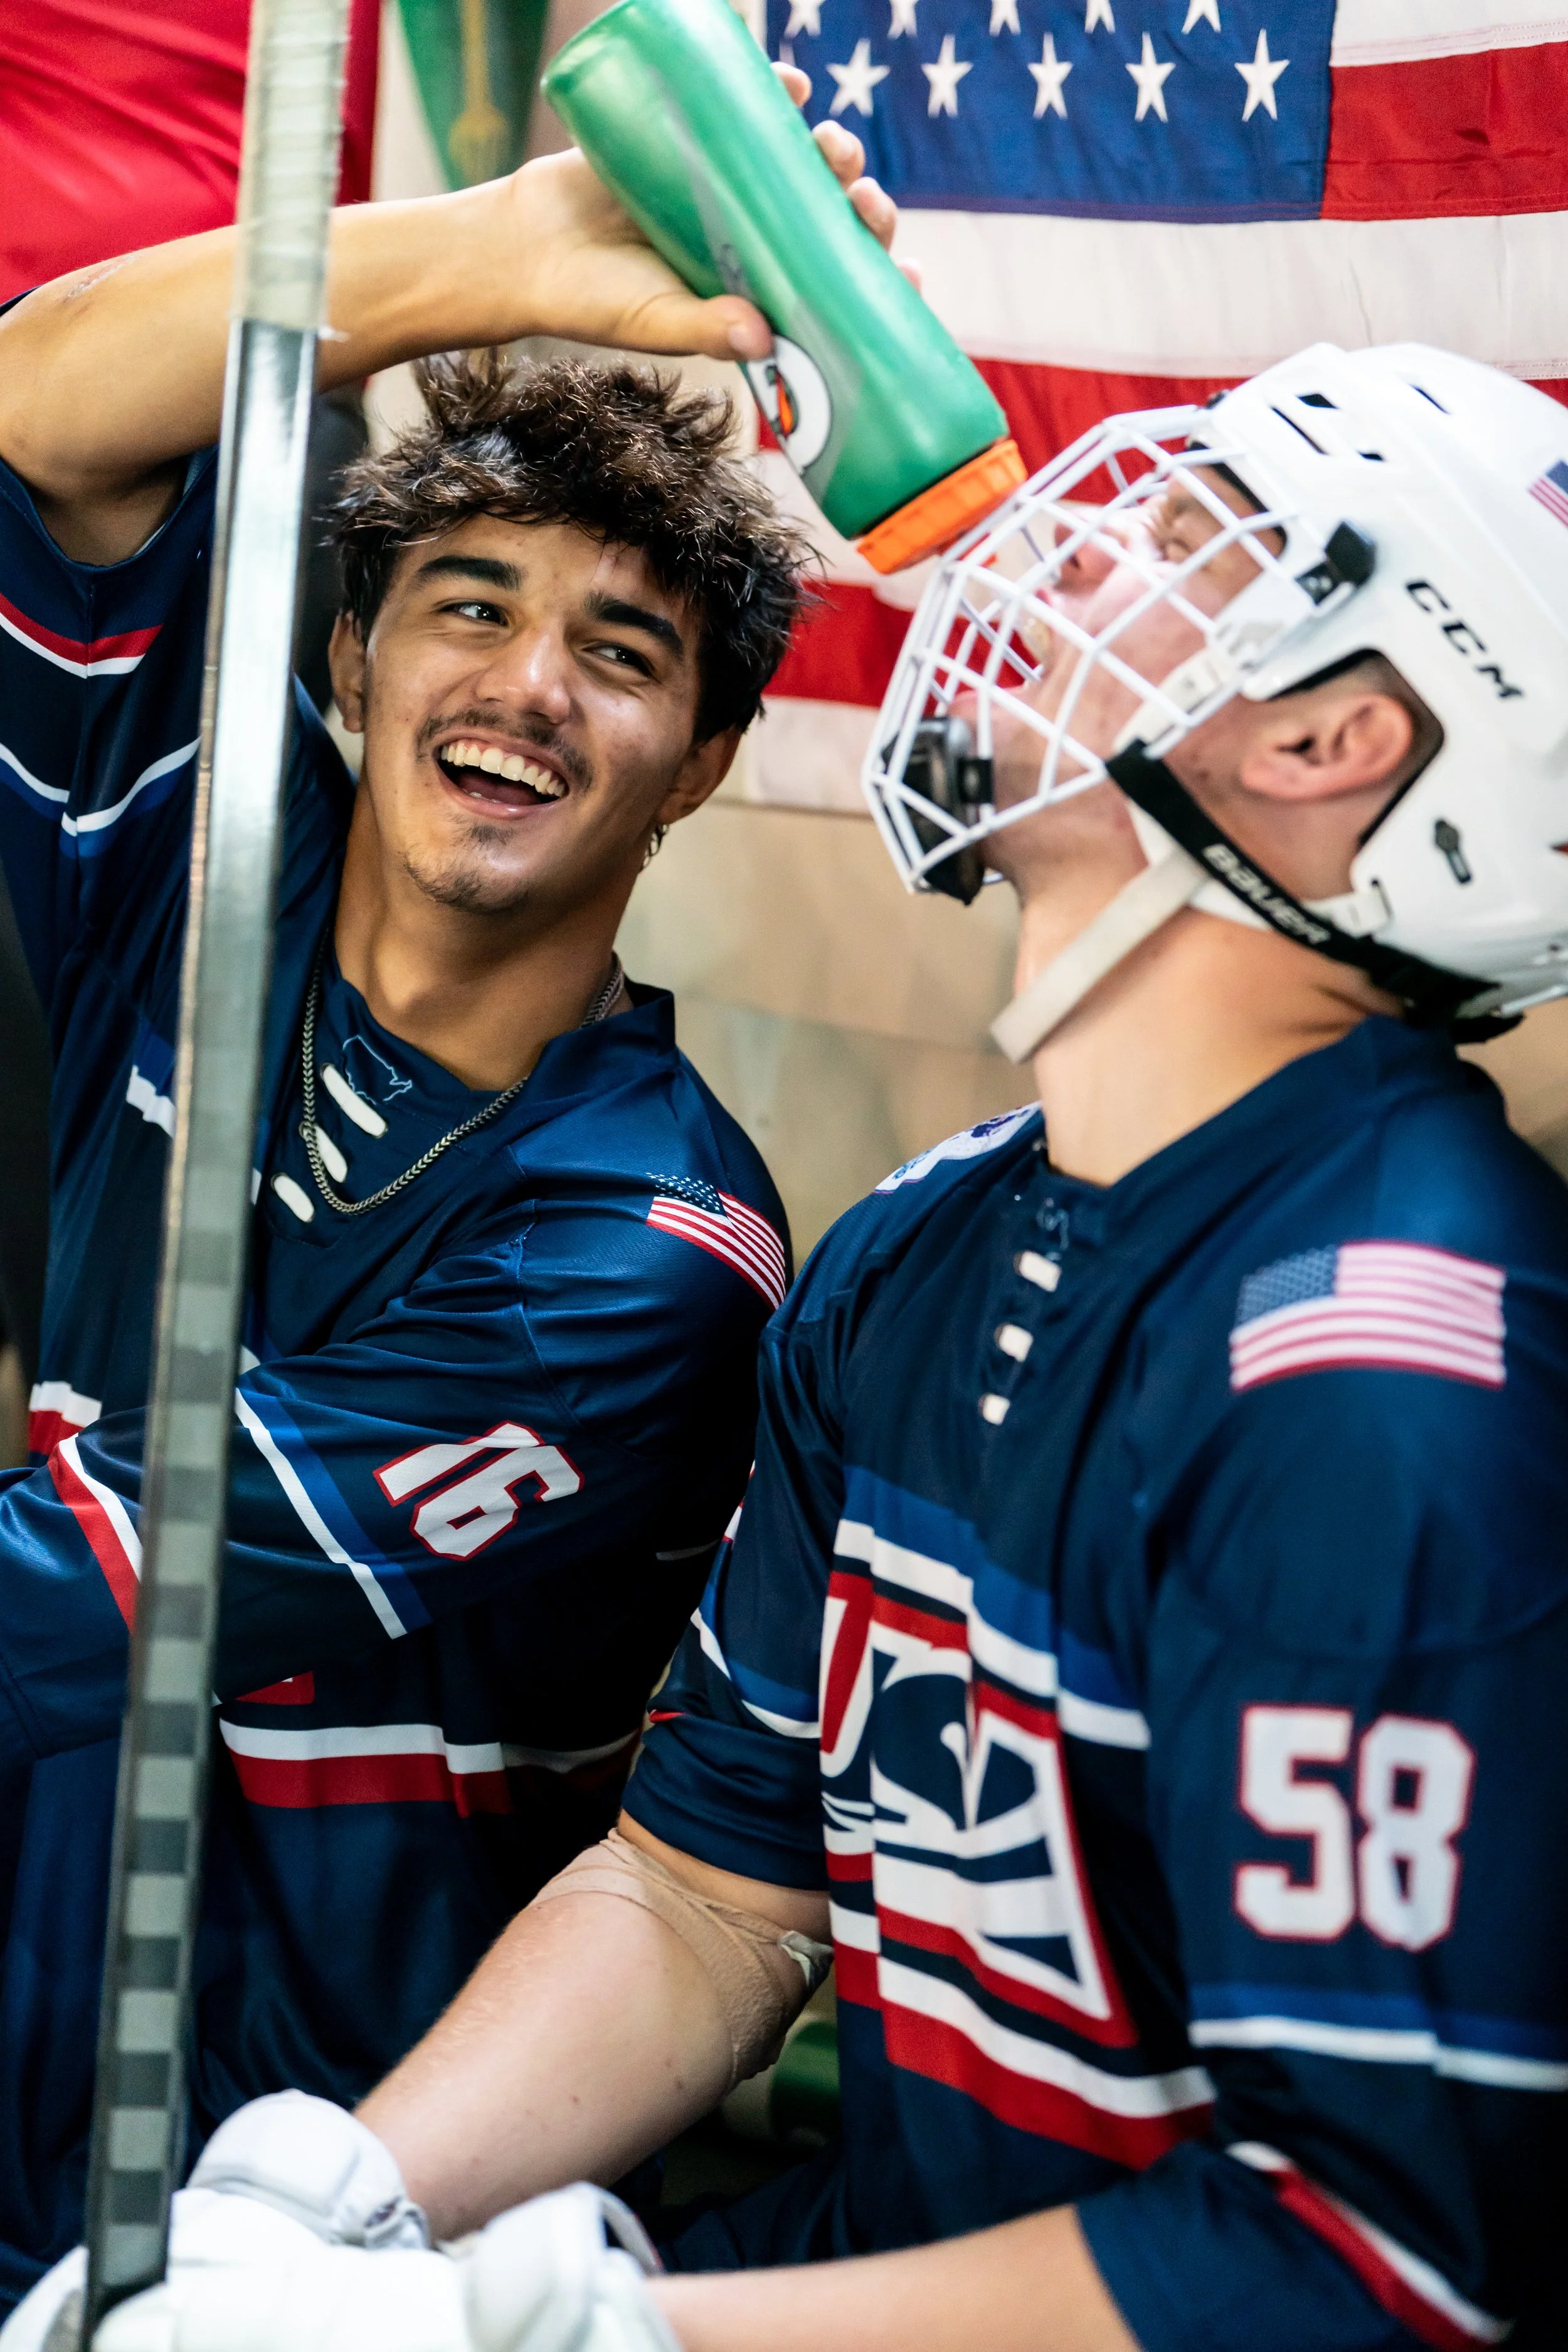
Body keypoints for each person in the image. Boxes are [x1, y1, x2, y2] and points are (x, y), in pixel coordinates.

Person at [14, 350, 1568, 2352]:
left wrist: (600, 2337)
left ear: (1337, 740)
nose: (1064, 563)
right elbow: (705, 1895)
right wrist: (351, 2209)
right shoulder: (919, 1252)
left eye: (1185, 554)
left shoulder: (1394, 1394)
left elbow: (1386, 2268)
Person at [0, 88, 902, 2314]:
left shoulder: (642, 1249)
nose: (520, 685)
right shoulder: (217, 878)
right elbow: (44, 408)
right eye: (463, 607)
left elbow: (96, 1601)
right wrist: (512, 242)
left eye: (620, 651)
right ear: (344, 664)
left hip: (324, 2202)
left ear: (698, 763)